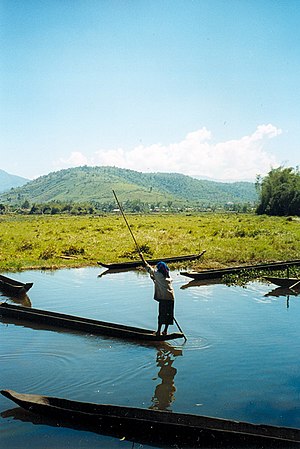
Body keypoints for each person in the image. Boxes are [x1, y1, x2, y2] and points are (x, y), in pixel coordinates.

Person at [140, 253, 175, 335]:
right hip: (171, 298)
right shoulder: (168, 276)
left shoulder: (158, 274)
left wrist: (142, 257)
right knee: (169, 315)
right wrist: (154, 279)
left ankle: (158, 331)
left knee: (161, 315)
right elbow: (159, 281)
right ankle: (165, 331)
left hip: (164, 298)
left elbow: (148, 268)